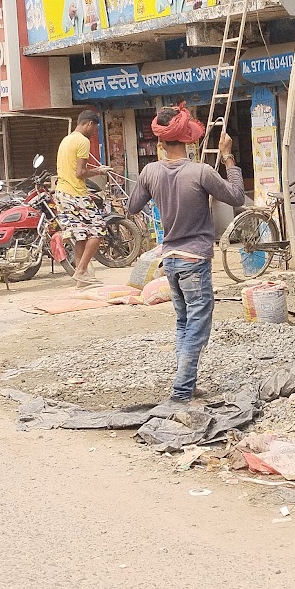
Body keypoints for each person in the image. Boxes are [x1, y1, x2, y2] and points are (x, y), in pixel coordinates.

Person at [127, 103, 245, 402]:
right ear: (187, 137)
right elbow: (236, 196)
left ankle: (187, 385)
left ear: (160, 141)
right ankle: (181, 390)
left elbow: (131, 207)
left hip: (171, 260)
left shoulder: (150, 171)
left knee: (184, 321)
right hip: (195, 259)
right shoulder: (200, 171)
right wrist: (228, 157)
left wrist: (153, 183)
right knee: (198, 323)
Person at [55, 111, 106, 285]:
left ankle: (80, 279)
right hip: (75, 193)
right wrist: (100, 171)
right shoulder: (83, 141)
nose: (94, 133)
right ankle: (82, 270)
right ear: (89, 124)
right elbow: (80, 172)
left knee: (81, 235)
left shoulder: (66, 139)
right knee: (98, 230)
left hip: (61, 193)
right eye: (95, 129)